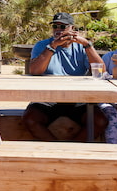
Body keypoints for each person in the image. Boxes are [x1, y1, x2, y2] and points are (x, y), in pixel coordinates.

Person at [23, 12, 107, 141]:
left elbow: (100, 70)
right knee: (30, 119)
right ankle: (56, 149)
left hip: (76, 99)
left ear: (72, 29)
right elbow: (35, 70)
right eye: (55, 27)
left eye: (62, 27)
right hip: (48, 99)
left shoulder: (81, 47)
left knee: (99, 120)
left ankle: (75, 148)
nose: (58, 30)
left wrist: (87, 45)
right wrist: (52, 47)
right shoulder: (42, 45)